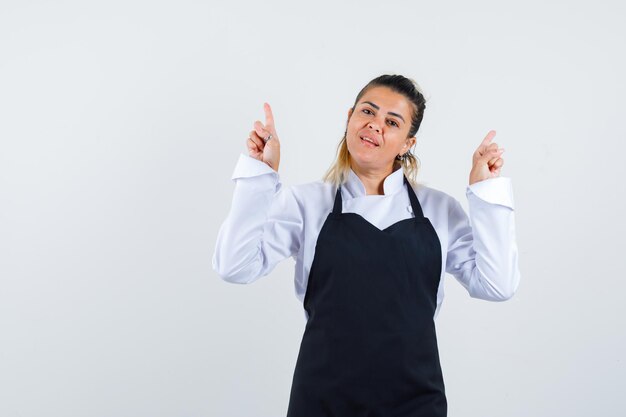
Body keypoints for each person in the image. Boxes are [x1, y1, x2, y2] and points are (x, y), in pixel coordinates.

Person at [212, 74, 520, 416]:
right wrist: (258, 176)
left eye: (391, 121)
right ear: (349, 118)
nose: (375, 125)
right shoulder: (306, 203)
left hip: (416, 402)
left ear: (407, 144)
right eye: (367, 112)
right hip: (322, 400)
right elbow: (235, 267)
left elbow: (497, 285)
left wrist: (486, 195)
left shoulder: (439, 210)